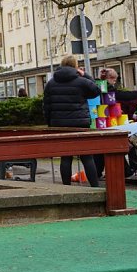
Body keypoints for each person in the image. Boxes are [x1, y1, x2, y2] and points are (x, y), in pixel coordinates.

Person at [43, 55, 102, 187]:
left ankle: (66, 187)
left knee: (65, 157)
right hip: (80, 124)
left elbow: (46, 106)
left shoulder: (51, 84)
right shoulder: (81, 81)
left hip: (60, 125)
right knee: (87, 156)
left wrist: (50, 123)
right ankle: (95, 186)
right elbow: (97, 90)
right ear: (75, 66)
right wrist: (85, 75)